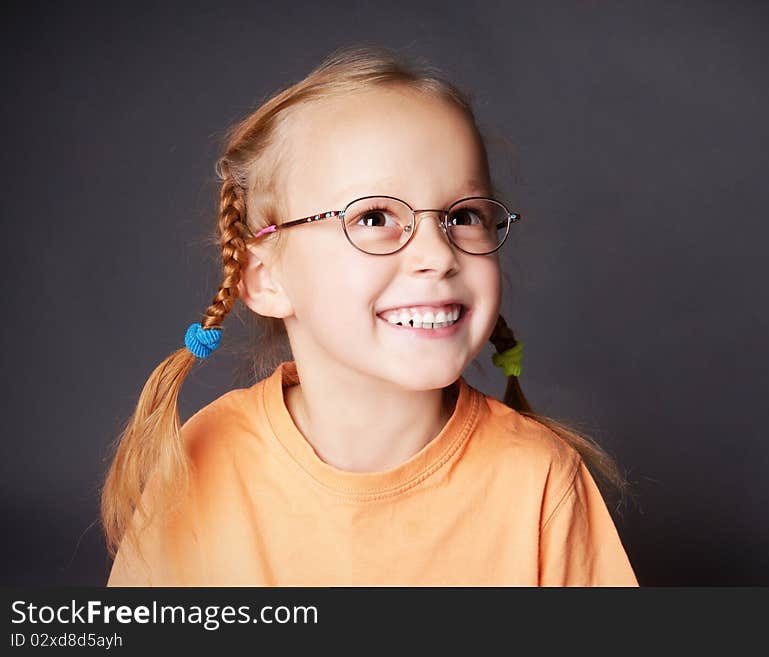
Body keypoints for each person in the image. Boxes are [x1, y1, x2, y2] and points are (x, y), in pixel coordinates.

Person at [102, 44, 639, 587]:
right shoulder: (205, 459)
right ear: (266, 278)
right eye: (375, 216)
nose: (437, 254)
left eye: (463, 215)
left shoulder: (539, 479)